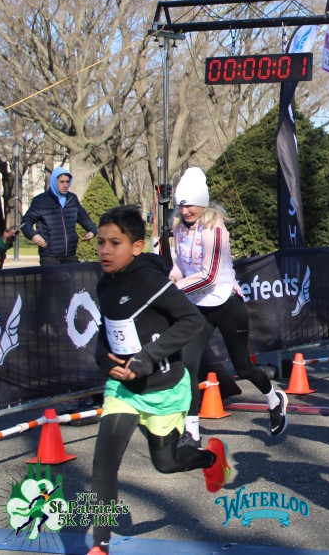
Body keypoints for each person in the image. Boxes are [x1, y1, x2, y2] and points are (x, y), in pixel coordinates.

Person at [89, 205, 231, 555]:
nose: (105, 250)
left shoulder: (150, 281)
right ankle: (100, 545)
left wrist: (145, 359)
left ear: (137, 246)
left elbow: (191, 321)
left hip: (163, 388)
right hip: (123, 389)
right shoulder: (105, 282)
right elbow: (105, 332)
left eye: (115, 243)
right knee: (104, 463)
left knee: (166, 464)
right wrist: (104, 360)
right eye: (101, 242)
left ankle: (211, 459)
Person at [169, 167, 287, 445]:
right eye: (181, 205)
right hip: (198, 306)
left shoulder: (215, 229)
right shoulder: (178, 226)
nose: (185, 211)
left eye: (190, 205)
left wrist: (173, 291)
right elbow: (181, 264)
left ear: (202, 201)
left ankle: (274, 399)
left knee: (243, 367)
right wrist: (172, 277)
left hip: (226, 303)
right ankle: (192, 432)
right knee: (188, 366)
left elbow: (209, 276)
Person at [20, 166, 97, 265]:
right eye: (62, 182)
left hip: (70, 254)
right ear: (54, 181)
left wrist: (92, 230)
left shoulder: (72, 198)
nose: (65, 185)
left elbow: (83, 217)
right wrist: (33, 235)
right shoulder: (40, 201)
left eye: (67, 182)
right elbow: (26, 222)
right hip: (49, 256)